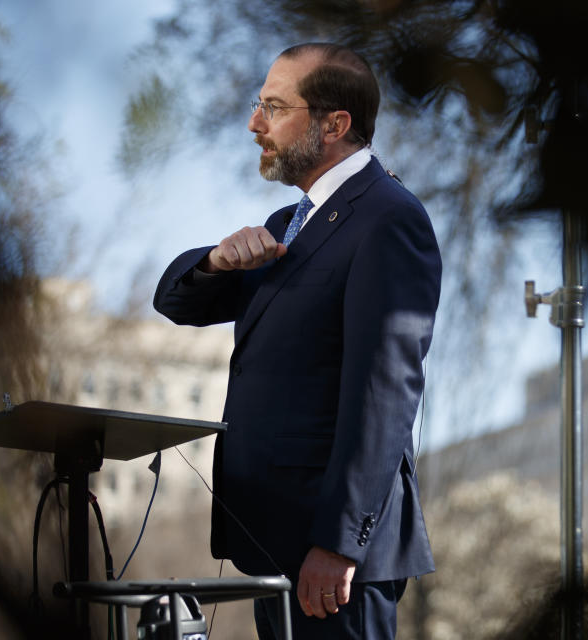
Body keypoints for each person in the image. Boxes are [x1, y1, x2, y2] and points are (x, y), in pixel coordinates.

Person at [154, 42, 441, 639]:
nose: (255, 124)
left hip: (335, 565)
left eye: (274, 108)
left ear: (334, 124)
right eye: (259, 105)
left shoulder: (390, 219)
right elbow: (175, 302)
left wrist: (337, 544)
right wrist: (213, 260)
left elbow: (384, 396)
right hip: (275, 542)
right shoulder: (289, 224)